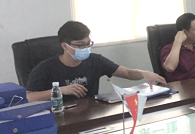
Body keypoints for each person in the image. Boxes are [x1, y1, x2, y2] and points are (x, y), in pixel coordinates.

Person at [26, 21, 165, 102]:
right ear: (64, 46)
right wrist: (60, 90)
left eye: (88, 44)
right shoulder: (45, 68)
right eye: (80, 45)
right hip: (60, 117)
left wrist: (144, 73)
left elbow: (127, 73)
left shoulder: (95, 61)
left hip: (90, 114)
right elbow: (28, 97)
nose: (85, 48)